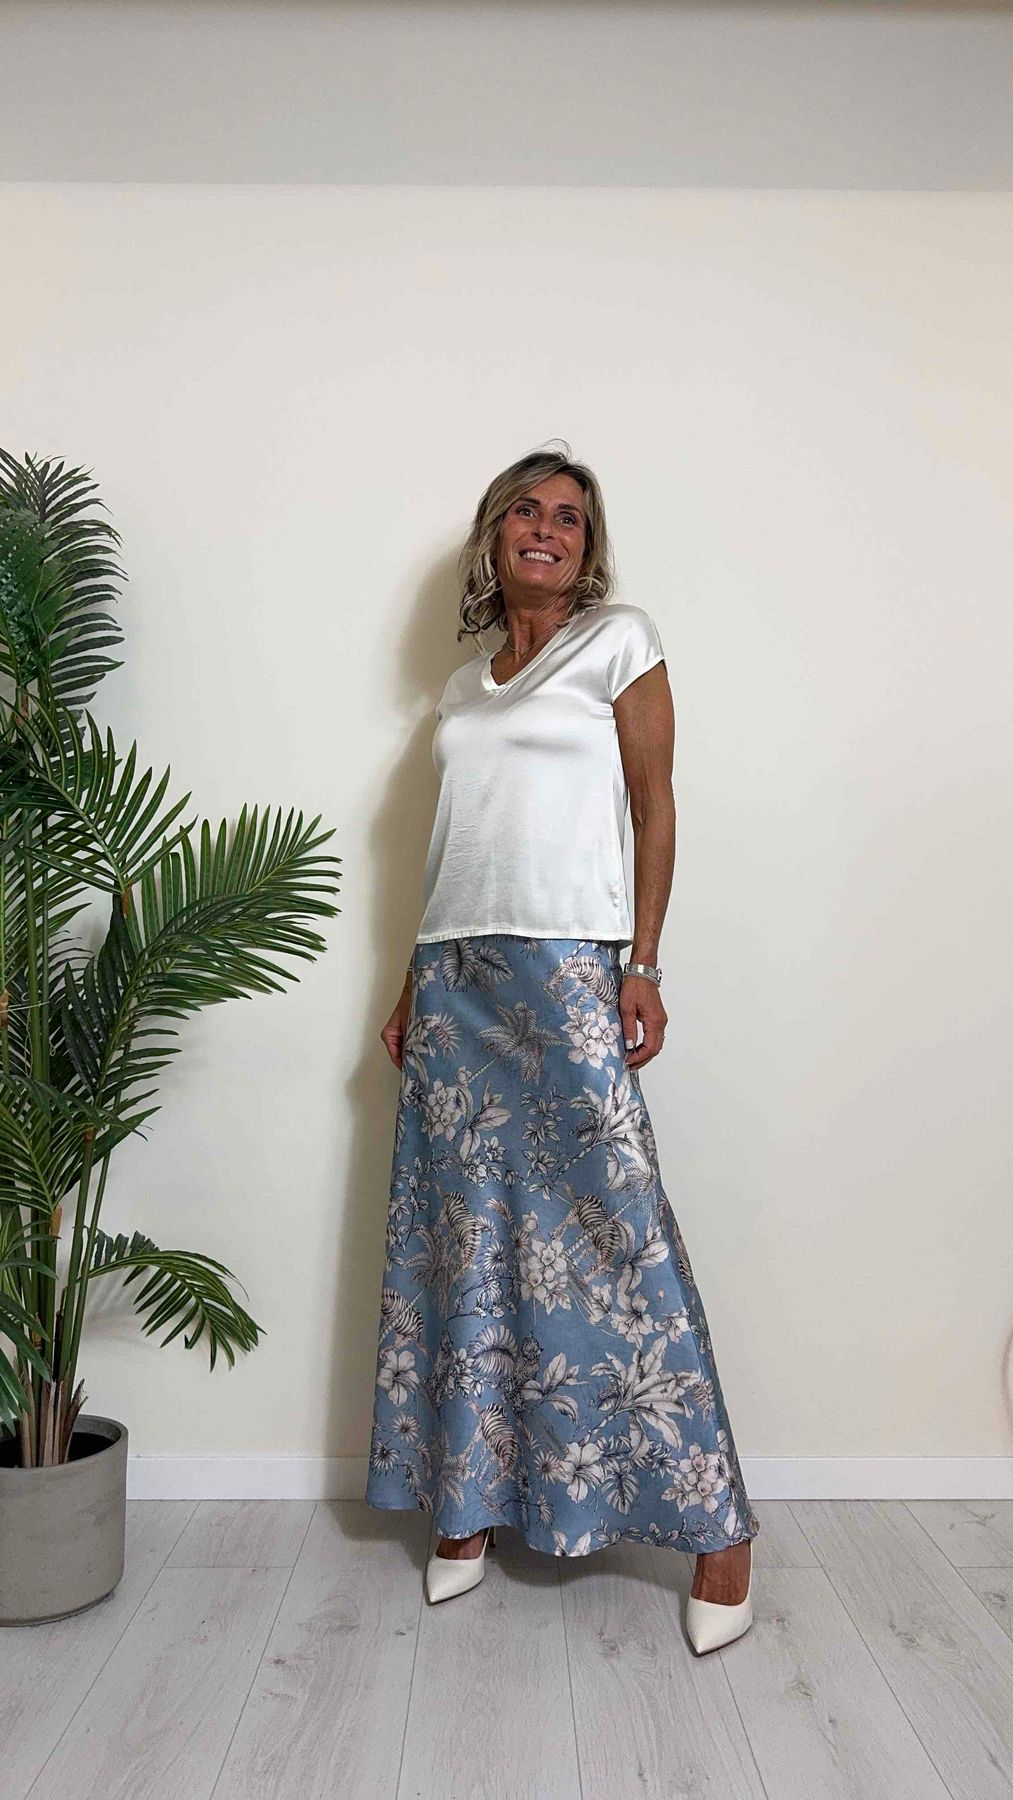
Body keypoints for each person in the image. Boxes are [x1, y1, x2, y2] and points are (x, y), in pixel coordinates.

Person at [365, 444, 758, 1653]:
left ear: (587, 548)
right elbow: (449, 844)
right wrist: (410, 979)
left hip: (567, 967)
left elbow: (653, 804)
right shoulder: (461, 685)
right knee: (464, 1239)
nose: (545, 529)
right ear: (494, 536)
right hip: (455, 978)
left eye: (569, 519)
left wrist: (641, 964)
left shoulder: (619, 642)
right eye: (525, 512)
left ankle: (717, 1527)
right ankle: (470, 1505)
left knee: (613, 1230)